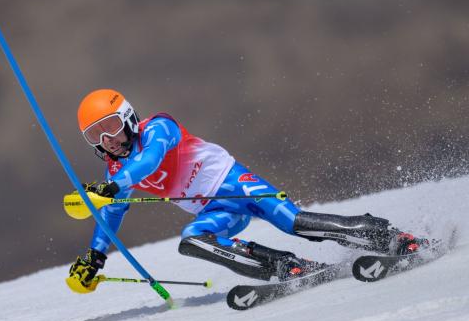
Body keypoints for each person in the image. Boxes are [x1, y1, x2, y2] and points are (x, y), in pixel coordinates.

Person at [66, 89, 427, 293]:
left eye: (110, 127)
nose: (107, 141)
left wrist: (114, 185)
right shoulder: (114, 171)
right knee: (192, 239)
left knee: (295, 222)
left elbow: (149, 161)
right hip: (218, 213)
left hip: (235, 185)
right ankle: (285, 266)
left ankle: (390, 237)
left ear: (128, 118)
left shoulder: (158, 128)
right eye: (94, 136)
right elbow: (111, 211)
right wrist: (95, 256)